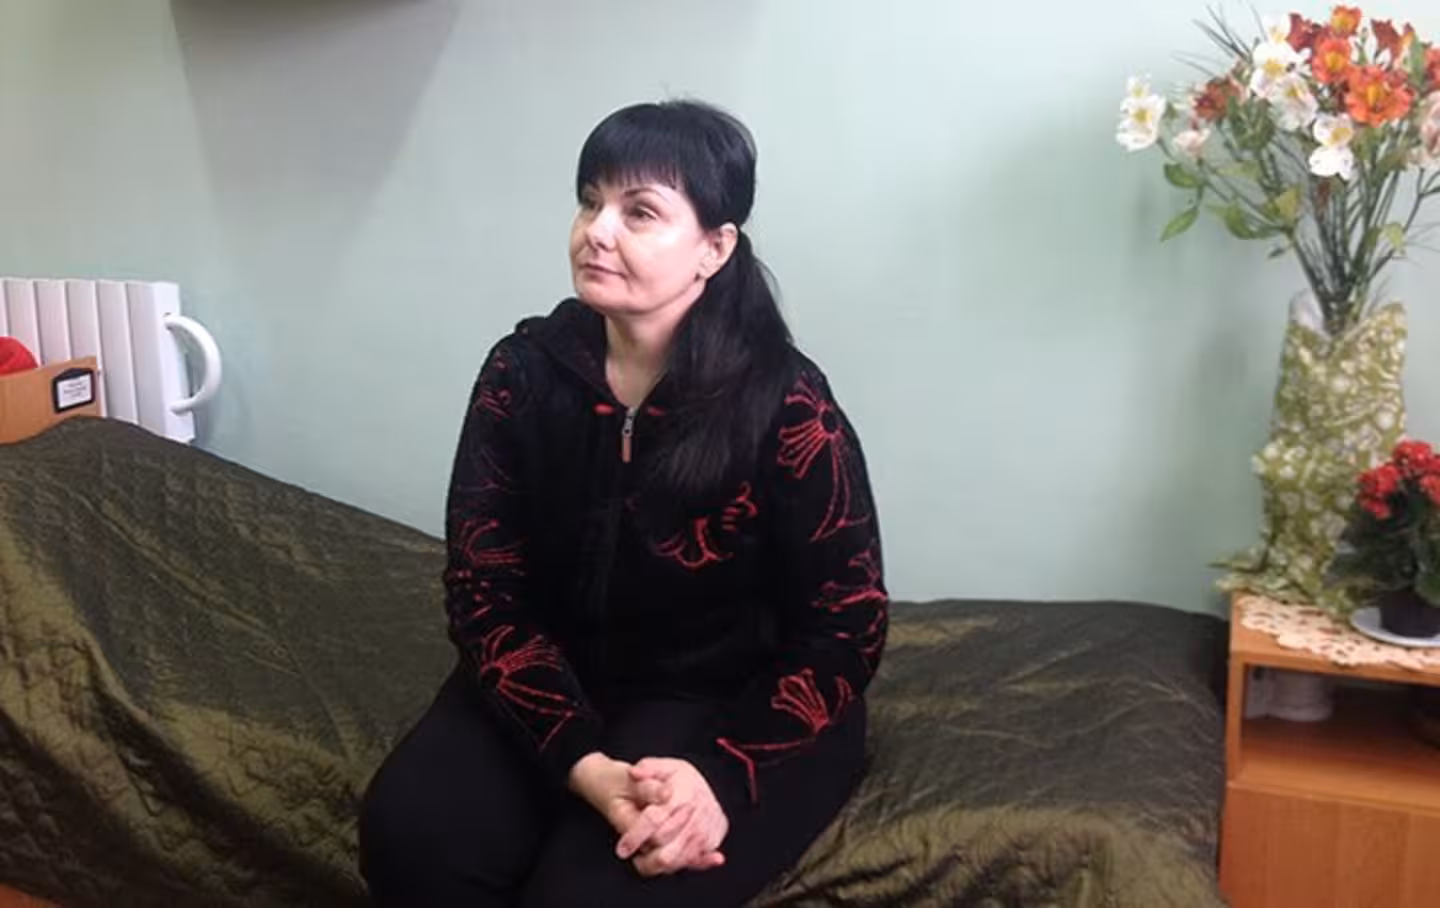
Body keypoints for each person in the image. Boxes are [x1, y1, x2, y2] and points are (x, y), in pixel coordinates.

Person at [358, 98, 888, 908]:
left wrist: (721, 776)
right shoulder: (522, 374)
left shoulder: (785, 404)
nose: (596, 232)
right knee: (410, 838)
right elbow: (483, 591)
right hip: (555, 677)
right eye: (589, 201)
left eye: (639, 212)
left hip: (723, 700)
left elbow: (848, 624)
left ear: (715, 248)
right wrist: (579, 761)